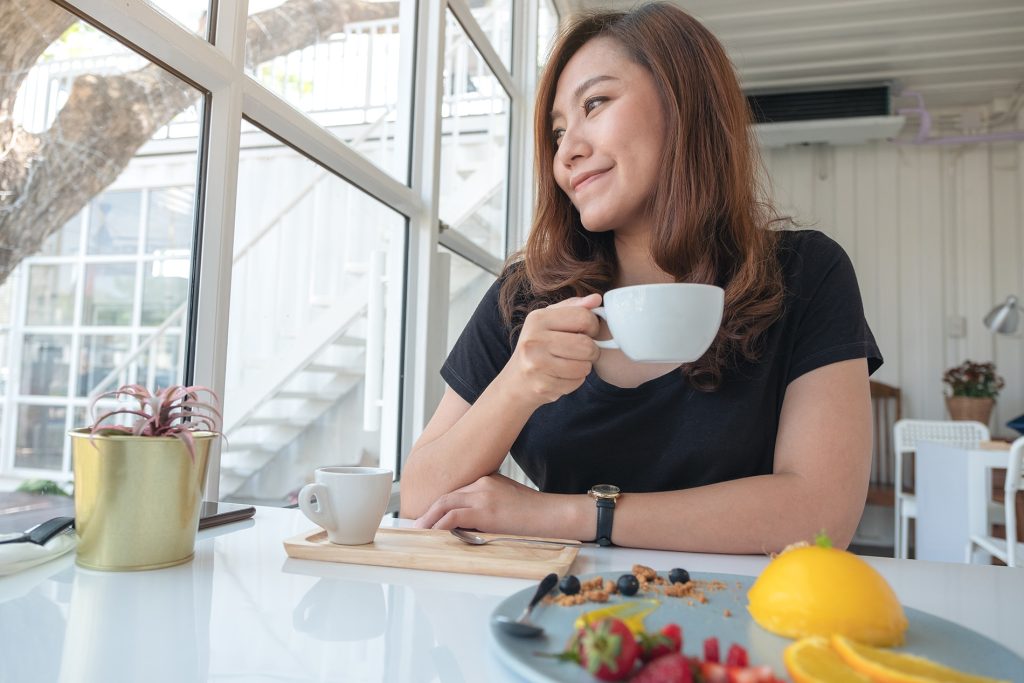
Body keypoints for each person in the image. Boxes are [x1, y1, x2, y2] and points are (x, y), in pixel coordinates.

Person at [400, 2, 881, 553]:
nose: (567, 153)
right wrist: (516, 387)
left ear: (685, 104)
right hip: (560, 619)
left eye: (595, 103)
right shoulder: (524, 297)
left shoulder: (804, 274)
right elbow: (419, 496)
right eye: (557, 133)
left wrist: (558, 515)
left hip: (743, 623)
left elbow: (819, 517)